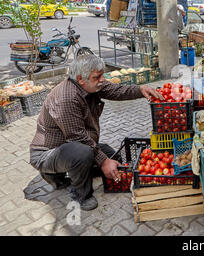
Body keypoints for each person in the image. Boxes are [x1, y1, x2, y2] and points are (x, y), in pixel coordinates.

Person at [29, 55, 164, 211]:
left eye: (102, 75)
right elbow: (77, 137)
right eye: (97, 77)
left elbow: (117, 90)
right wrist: (104, 161)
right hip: (48, 153)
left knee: (108, 153)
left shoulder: (91, 85)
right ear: (81, 79)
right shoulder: (66, 98)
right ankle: (80, 194)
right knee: (83, 153)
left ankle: (77, 171)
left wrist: (140, 90)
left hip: (70, 146)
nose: (102, 79)